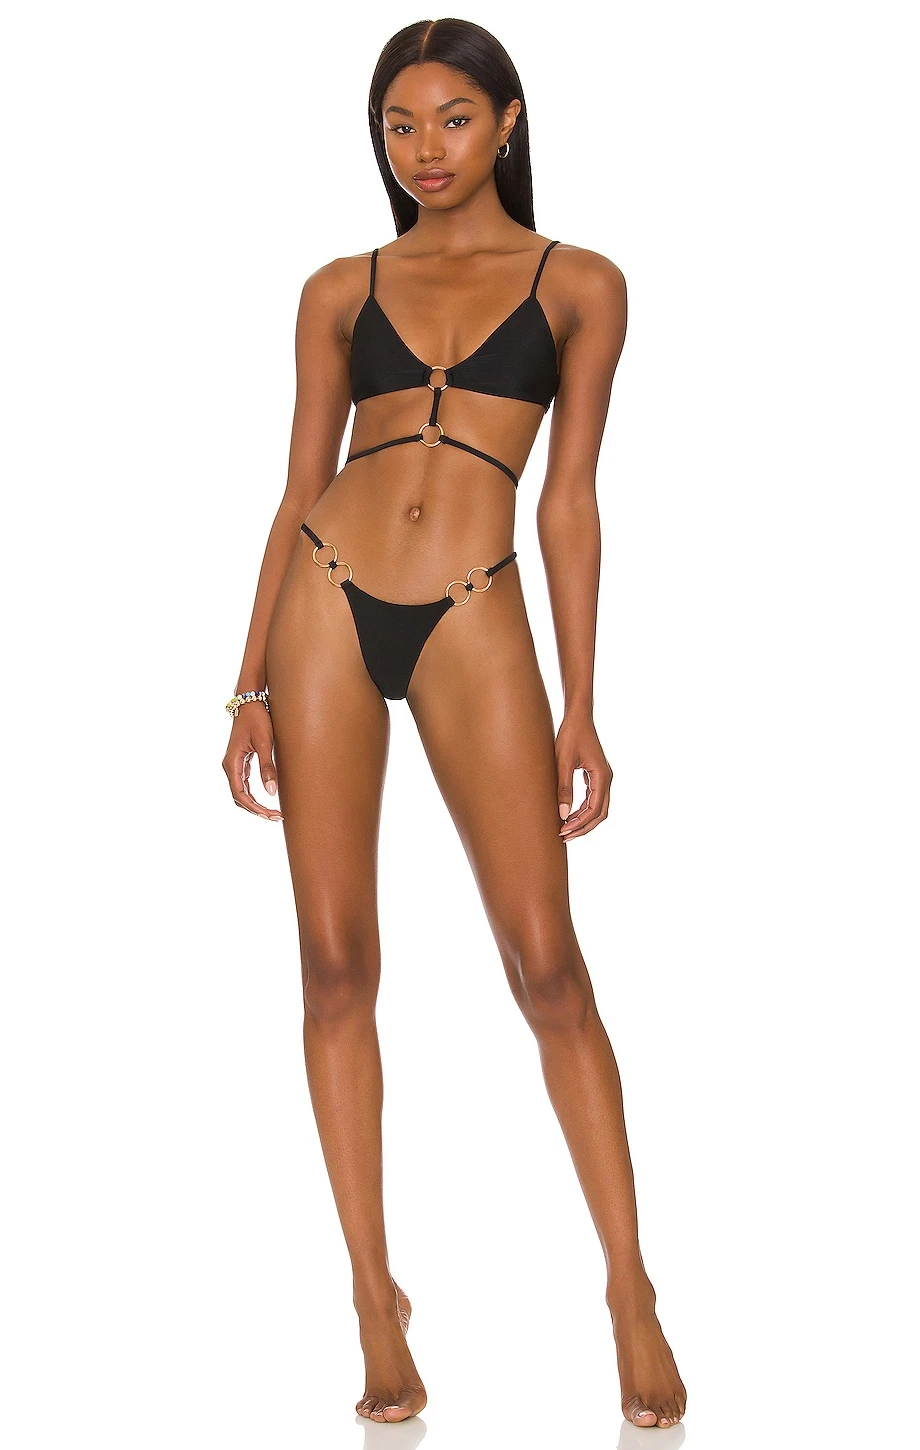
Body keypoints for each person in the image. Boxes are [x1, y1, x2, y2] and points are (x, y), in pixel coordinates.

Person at [222, 17, 686, 1430]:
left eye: (453, 120)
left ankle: (630, 1290)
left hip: (477, 604)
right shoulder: (337, 288)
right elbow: (297, 479)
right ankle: (374, 1296)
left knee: (547, 966)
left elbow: (570, 499)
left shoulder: (580, 283)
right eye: (399, 126)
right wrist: (247, 680)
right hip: (325, 595)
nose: (425, 150)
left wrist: (585, 702)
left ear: (509, 121)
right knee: (332, 964)